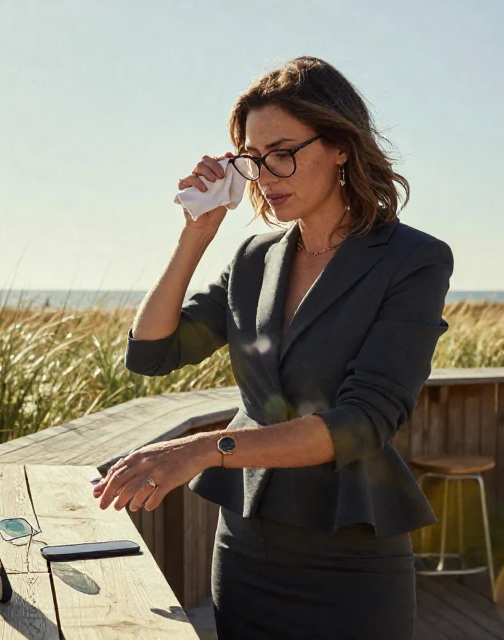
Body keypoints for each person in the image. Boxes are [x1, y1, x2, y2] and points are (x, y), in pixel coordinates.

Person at [91, 56, 453, 639]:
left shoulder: (413, 260)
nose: (266, 175)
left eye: (283, 152)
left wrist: (203, 449)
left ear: (340, 146)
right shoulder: (254, 258)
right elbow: (151, 353)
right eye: (253, 159)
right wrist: (197, 233)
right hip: (245, 545)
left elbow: (363, 422)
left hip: (350, 556)